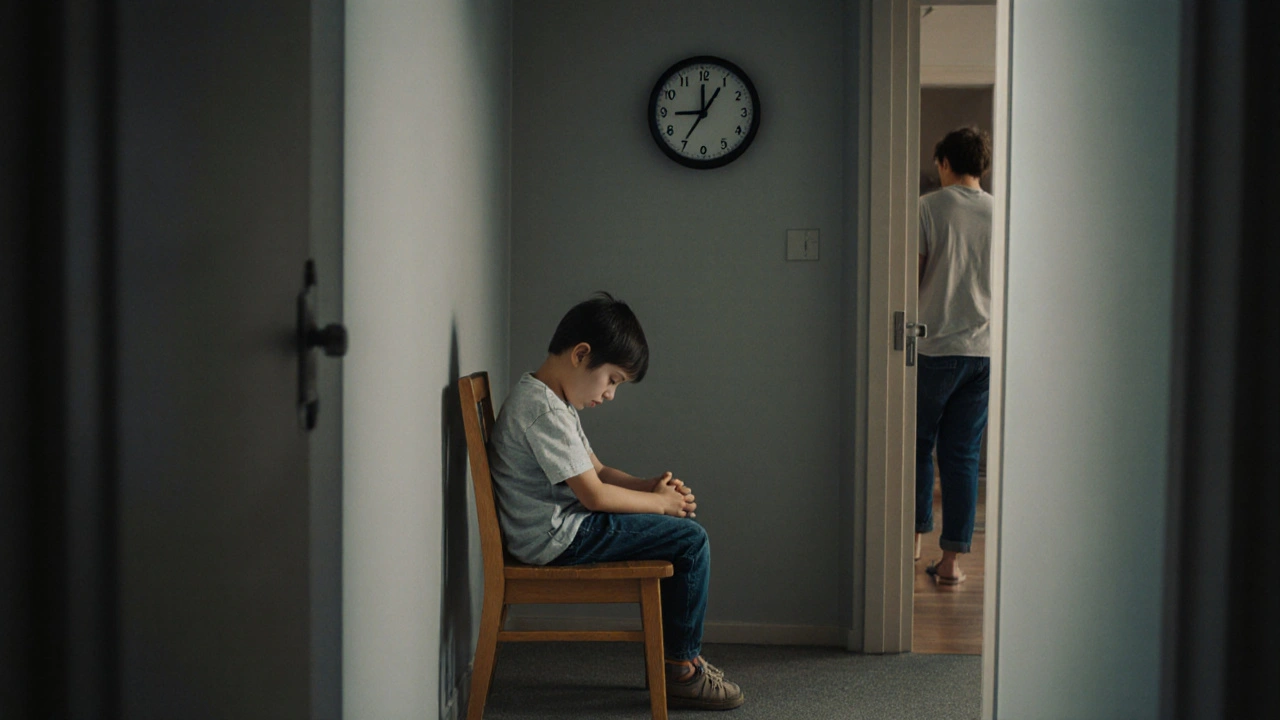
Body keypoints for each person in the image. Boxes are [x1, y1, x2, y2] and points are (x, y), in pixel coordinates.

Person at [487, 292, 745, 711]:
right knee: (690, 542)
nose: (609, 395)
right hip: (557, 537)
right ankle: (681, 668)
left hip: (559, 528)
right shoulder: (543, 412)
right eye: (612, 380)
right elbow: (594, 496)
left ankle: (680, 660)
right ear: (581, 354)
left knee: (683, 536)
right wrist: (661, 506)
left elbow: (600, 472)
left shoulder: (552, 401)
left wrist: (649, 487)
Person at [915, 126, 993, 586]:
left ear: (944, 162)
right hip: (982, 351)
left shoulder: (927, 206)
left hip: (933, 346)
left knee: (919, 446)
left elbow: (913, 276)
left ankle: (914, 542)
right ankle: (951, 564)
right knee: (962, 457)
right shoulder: (1001, 212)